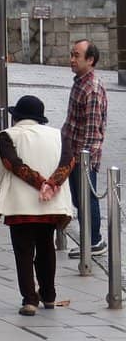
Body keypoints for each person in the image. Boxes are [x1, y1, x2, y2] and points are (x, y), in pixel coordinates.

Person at [0, 95, 74, 316]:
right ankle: (49, 295)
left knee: (24, 251)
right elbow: (68, 162)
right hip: (51, 205)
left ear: (16, 116)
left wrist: (40, 183)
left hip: (20, 204)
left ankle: (29, 299)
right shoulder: (59, 135)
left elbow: (12, 164)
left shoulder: (7, 136)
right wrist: (51, 184)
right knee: (47, 246)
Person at [62, 39, 108, 257]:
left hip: (83, 156)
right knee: (79, 199)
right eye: (71, 54)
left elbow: (91, 131)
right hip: (73, 154)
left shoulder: (92, 89)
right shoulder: (80, 82)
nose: (72, 59)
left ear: (90, 60)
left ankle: (94, 241)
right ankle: (87, 240)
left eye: (76, 55)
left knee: (87, 198)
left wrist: (82, 159)